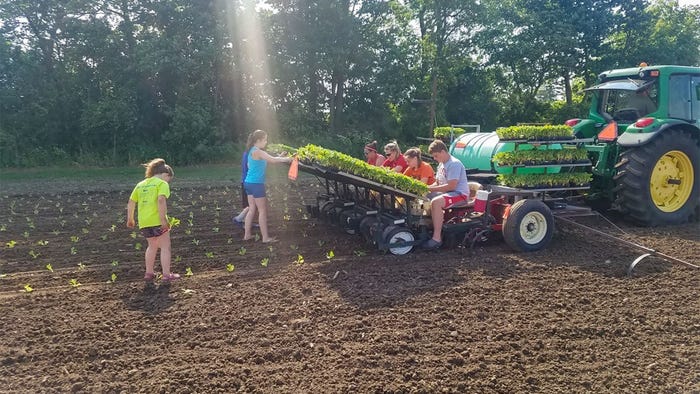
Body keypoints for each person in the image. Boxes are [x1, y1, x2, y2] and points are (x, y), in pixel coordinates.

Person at [126, 158, 180, 282]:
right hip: (157, 221)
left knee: (152, 246)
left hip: (144, 222)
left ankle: (149, 273)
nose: (168, 182)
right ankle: (166, 275)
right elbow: (161, 200)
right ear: (166, 175)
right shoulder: (162, 184)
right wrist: (163, 221)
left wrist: (130, 218)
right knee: (165, 246)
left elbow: (131, 201)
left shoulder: (140, 184)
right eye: (169, 179)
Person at [243, 129, 293, 243]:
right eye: (265, 140)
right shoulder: (259, 151)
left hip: (248, 183)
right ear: (259, 140)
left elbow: (263, 162)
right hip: (256, 184)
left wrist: (280, 156)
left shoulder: (251, 151)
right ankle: (265, 238)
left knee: (251, 209)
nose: (266, 142)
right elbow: (273, 160)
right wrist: (288, 159)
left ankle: (247, 235)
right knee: (262, 210)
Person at [423, 140, 470, 250]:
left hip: (459, 195)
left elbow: (451, 186)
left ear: (443, 151)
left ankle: (436, 238)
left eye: (436, 155)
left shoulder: (454, 164)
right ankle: (426, 227)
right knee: (423, 197)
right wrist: (425, 189)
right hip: (448, 193)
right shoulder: (441, 165)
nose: (435, 158)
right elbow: (438, 183)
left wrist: (430, 188)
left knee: (436, 202)